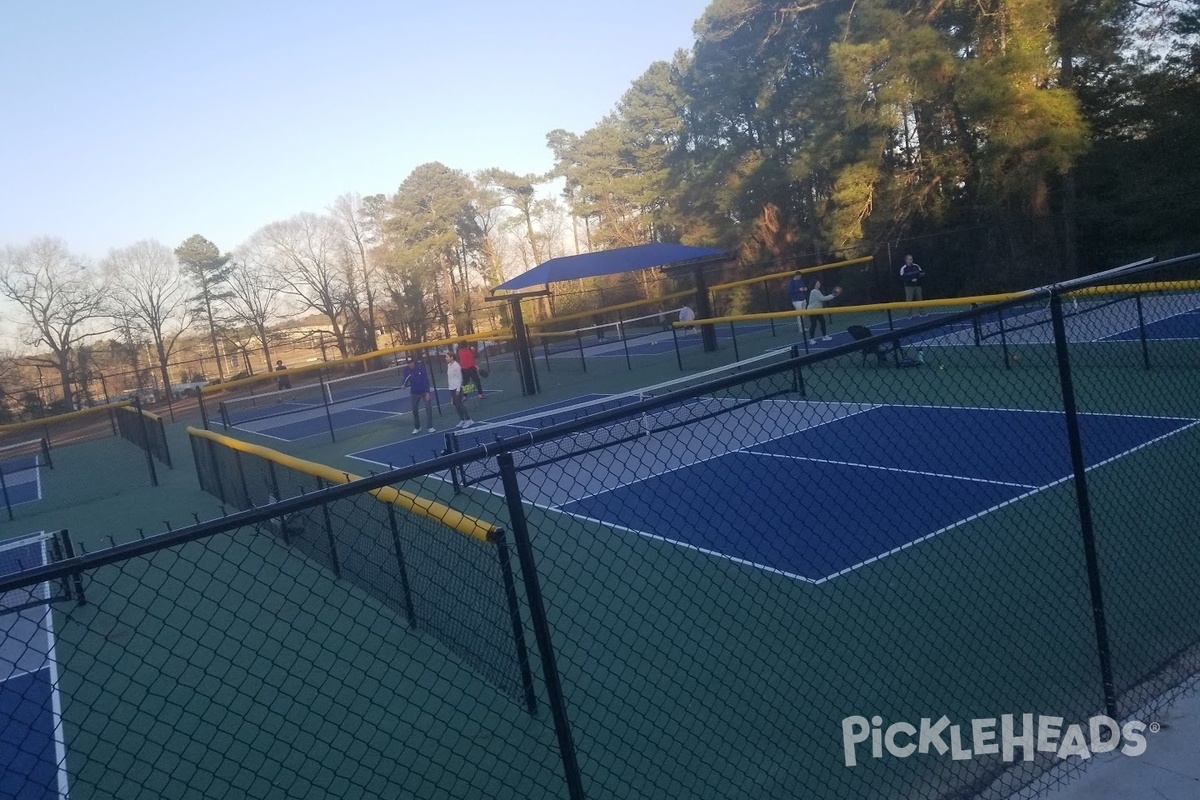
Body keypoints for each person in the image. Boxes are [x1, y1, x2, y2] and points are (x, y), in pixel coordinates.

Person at [401, 355, 434, 434]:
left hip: (424, 391)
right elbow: (405, 379)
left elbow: (426, 379)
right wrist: (403, 384)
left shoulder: (420, 368)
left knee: (428, 408)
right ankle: (417, 427)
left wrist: (428, 392)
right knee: (414, 410)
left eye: (412, 362)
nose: (411, 364)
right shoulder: (406, 370)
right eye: (409, 363)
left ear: (414, 362)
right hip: (414, 393)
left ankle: (430, 426)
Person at [443, 350, 473, 429]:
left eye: (447, 357)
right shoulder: (449, 365)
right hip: (451, 388)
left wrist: (458, 389)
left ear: (452, 357)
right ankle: (462, 420)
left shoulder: (457, 366)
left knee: (460, 404)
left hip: (457, 388)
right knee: (456, 405)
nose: (446, 358)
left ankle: (468, 419)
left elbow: (460, 378)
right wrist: (450, 388)